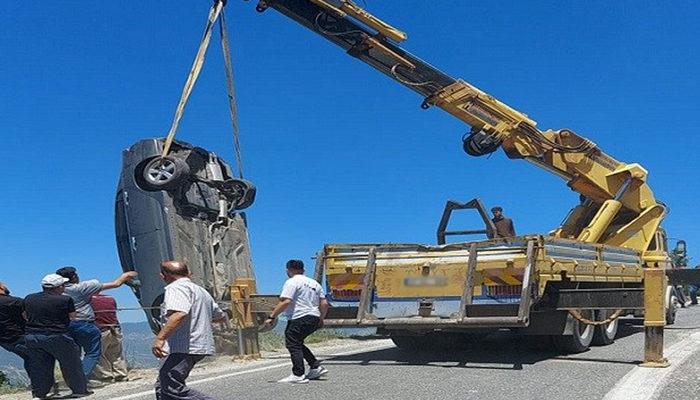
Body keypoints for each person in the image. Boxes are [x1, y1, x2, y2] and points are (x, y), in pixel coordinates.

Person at [151, 261, 227, 400]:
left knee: (170, 386)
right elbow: (220, 317)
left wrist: (160, 338)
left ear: (164, 275)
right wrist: (199, 318)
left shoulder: (175, 288)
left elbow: (179, 313)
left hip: (182, 346)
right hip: (198, 344)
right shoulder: (202, 291)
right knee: (163, 387)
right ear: (188, 273)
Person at [55, 266, 137, 380]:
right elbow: (116, 284)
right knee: (94, 352)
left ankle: (74, 379)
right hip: (86, 323)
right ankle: (85, 378)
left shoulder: (56, 292)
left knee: (72, 355)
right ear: (73, 277)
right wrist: (125, 276)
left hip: (65, 325)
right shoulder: (82, 288)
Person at [24, 274, 90, 398]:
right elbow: (72, 317)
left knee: (39, 366)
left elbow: (25, 315)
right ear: (59, 287)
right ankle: (79, 390)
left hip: (32, 336)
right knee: (71, 363)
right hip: (57, 335)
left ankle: (39, 393)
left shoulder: (29, 298)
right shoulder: (65, 299)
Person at [264, 259, 330, 384]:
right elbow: (324, 303)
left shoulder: (292, 282)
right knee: (297, 342)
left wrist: (272, 316)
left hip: (299, 317)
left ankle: (298, 374)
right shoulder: (314, 284)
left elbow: (286, 301)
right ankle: (315, 366)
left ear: (288, 270)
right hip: (314, 317)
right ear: (303, 270)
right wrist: (321, 318)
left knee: (292, 343)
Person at [0, 281, 55, 399]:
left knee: (30, 358)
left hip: (5, 341)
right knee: (41, 358)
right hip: (19, 337)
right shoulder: (13, 301)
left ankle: (41, 387)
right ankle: (40, 390)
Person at [90, 293, 128, 383]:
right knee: (116, 354)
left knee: (98, 354)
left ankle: (105, 376)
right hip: (114, 328)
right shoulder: (110, 298)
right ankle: (121, 374)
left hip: (101, 329)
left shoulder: (89, 301)